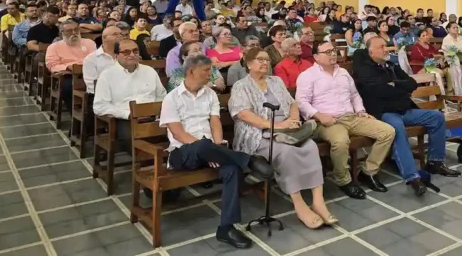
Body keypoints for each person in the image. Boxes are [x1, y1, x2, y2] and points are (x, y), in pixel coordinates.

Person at [160, 54, 272, 248]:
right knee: (203, 145)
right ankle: (249, 160)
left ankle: (226, 228)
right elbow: (178, 134)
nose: (211, 75)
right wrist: (209, 149)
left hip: (210, 152)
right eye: (207, 71)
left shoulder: (210, 94)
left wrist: (217, 147)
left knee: (232, 170)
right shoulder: (171, 98)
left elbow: (215, 122)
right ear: (191, 71)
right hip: (182, 153)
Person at [229, 48, 336, 229]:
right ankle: (300, 205)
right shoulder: (241, 86)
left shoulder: (276, 81)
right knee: (286, 152)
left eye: (267, 59)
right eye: (260, 59)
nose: (265, 62)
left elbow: (292, 103)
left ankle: (318, 201)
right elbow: (244, 115)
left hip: (286, 128)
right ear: (248, 64)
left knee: (310, 146)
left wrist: (293, 119)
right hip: (257, 132)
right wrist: (276, 126)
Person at [353, 36, 460, 196]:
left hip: (404, 109)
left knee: (436, 117)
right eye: (381, 46)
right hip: (385, 112)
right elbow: (378, 91)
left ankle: (435, 162)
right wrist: (397, 88)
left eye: (385, 46)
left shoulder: (391, 66)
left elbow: (411, 83)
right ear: (371, 51)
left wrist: (394, 84)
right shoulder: (366, 70)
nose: (386, 49)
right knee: (397, 129)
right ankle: (412, 176)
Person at [296, 41, 394, 199]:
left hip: (351, 117)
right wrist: (319, 115)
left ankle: (368, 172)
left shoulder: (343, 72)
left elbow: (354, 95)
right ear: (316, 57)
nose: (333, 54)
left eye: (333, 51)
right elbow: (301, 102)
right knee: (341, 142)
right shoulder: (308, 76)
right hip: (328, 120)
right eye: (327, 52)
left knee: (387, 132)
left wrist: (361, 110)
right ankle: (344, 180)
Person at [93, 38, 166, 151]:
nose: (132, 55)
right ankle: (148, 164)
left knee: (175, 129)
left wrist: (158, 112)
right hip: (125, 119)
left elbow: (161, 95)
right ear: (116, 56)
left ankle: (160, 161)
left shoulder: (149, 71)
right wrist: (127, 114)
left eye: (135, 51)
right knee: (133, 138)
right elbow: (99, 106)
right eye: (126, 52)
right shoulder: (107, 76)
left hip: (152, 116)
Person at [46, 21, 97, 108]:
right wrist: (68, 67)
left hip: (90, 73)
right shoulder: (54, 47)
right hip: (69, 75)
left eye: (76, 30)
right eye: (69, 31)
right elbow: (52, 66)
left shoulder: (89, 43)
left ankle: (92, 110)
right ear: (61, 34)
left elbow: (96, 60)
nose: (74, 33)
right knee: (67, 87)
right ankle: (76, 112)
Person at [83, 26, 124, 94]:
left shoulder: (124, 56)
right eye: (115, 34)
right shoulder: (91, 59)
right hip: (101, 96)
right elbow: (92, 85)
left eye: (121, 34)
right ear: (105, 38)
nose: (120, 36)